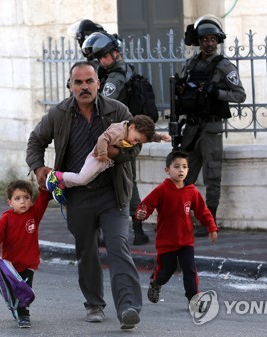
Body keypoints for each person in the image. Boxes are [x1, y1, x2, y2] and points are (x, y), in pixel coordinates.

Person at [26, 61, 142, 330]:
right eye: (78, 82)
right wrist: (38, 167)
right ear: (70, 86)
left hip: (113, 195)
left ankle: (128, 307)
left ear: (98, 83)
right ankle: (94, 304)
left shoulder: (117, 110)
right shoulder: (58, 114)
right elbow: (35, 141)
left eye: (89, 81)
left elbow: (135, 145)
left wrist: (114, 153)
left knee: (118, 246)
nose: (84, 87)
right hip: (77, 196)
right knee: (86, 250)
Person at [82, 31, 157, 245]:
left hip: (123, 140)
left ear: (115, 53)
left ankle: (137, 229)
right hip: (118, 136)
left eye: (104, 56)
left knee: (125, 182)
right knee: (119, 182)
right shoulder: (112, 72)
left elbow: (102, 102)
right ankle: (128, 230)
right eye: (99, 58)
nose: (102, 61)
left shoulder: (116, 76)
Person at [176, 15, 246, 237]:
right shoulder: (190, 65)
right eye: (205, 39)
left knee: (212, 175)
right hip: (191, 128)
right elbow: (180, 90)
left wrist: (216, 93)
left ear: (218, 41)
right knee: (184, 177)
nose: (209, 43)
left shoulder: (225, 66)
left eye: (213, 39)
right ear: (199, 41)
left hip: (211, 128)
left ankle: (209, 220)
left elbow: (240, 95)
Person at [134, 150, 218, 304]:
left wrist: (211, 227)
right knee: (167, 270)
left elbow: (202, 211)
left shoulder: (191, 191)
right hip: (166, 241)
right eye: (177, 166)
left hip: (186, 241)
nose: (181, 170)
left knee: (190, 271)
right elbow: (146, 205)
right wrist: (142, 213)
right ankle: (156, 282)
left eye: (184, 167)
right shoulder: (162, 190)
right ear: (168, 170)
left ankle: (194, 300)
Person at [45, 114, 170, 204]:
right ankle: (56, 176)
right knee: (82, 178)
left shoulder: (134, 131)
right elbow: (103, 138)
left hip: (105, 160)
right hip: (98, 157)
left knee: (88, 179)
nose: (135, 143)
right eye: (136, 139)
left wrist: (160, 137)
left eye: (138, 142)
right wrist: (103, 154)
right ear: (131, 127)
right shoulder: (118, 131)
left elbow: (148, 136)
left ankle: (61, 185)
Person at [0, 180, 51, 328]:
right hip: (11, 265)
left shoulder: (34, 214)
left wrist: (44, 184)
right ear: (10, 202)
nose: (23, 201)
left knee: (24, 291)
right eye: (17, 198)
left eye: (26, 197)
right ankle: (15, 306)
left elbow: (43, 199)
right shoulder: (6, 218)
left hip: (29, 263)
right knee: (14, 291)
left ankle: (24, 315)